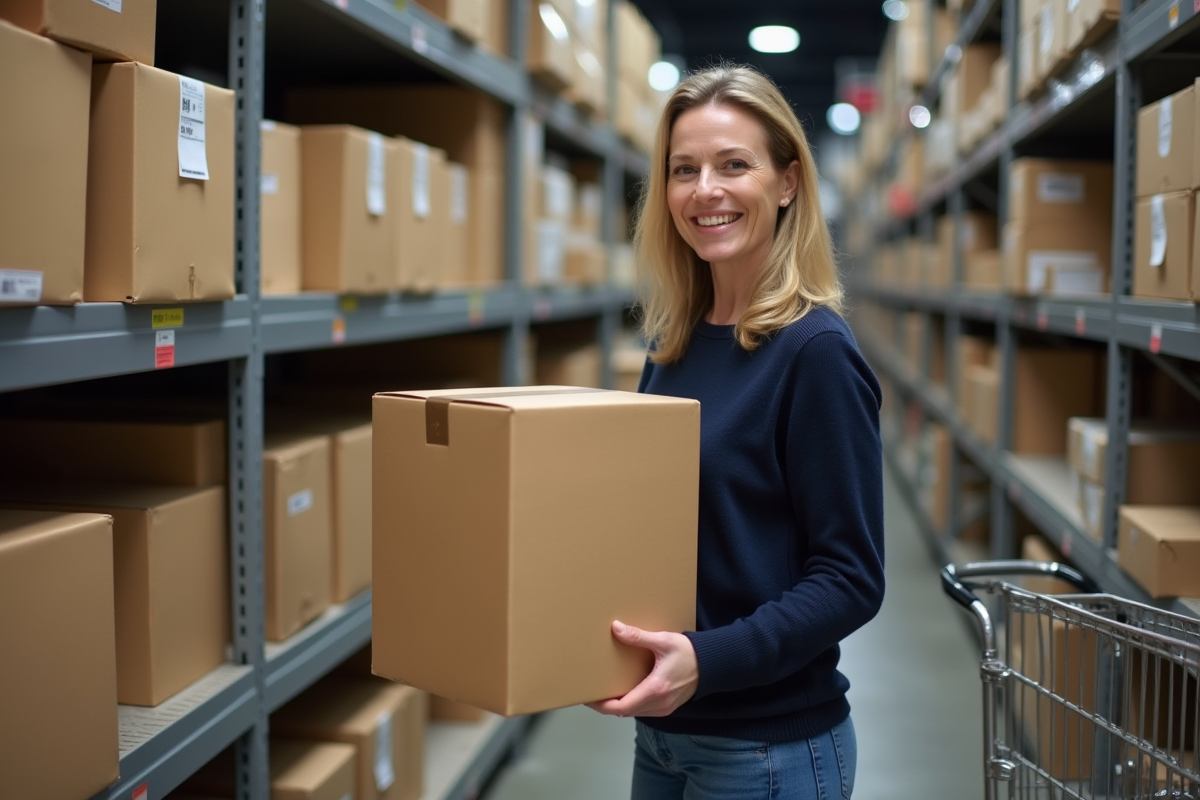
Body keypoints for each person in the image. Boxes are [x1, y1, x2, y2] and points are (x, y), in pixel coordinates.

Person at [585, 64, 886, 799]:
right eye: (683, 170)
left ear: (787, 183)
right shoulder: (677, 342)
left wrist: (706, 659)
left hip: (766, 748)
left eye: (733, 165)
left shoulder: (814, 353)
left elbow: (851, 578)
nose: (704, 191)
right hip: (665, 733)